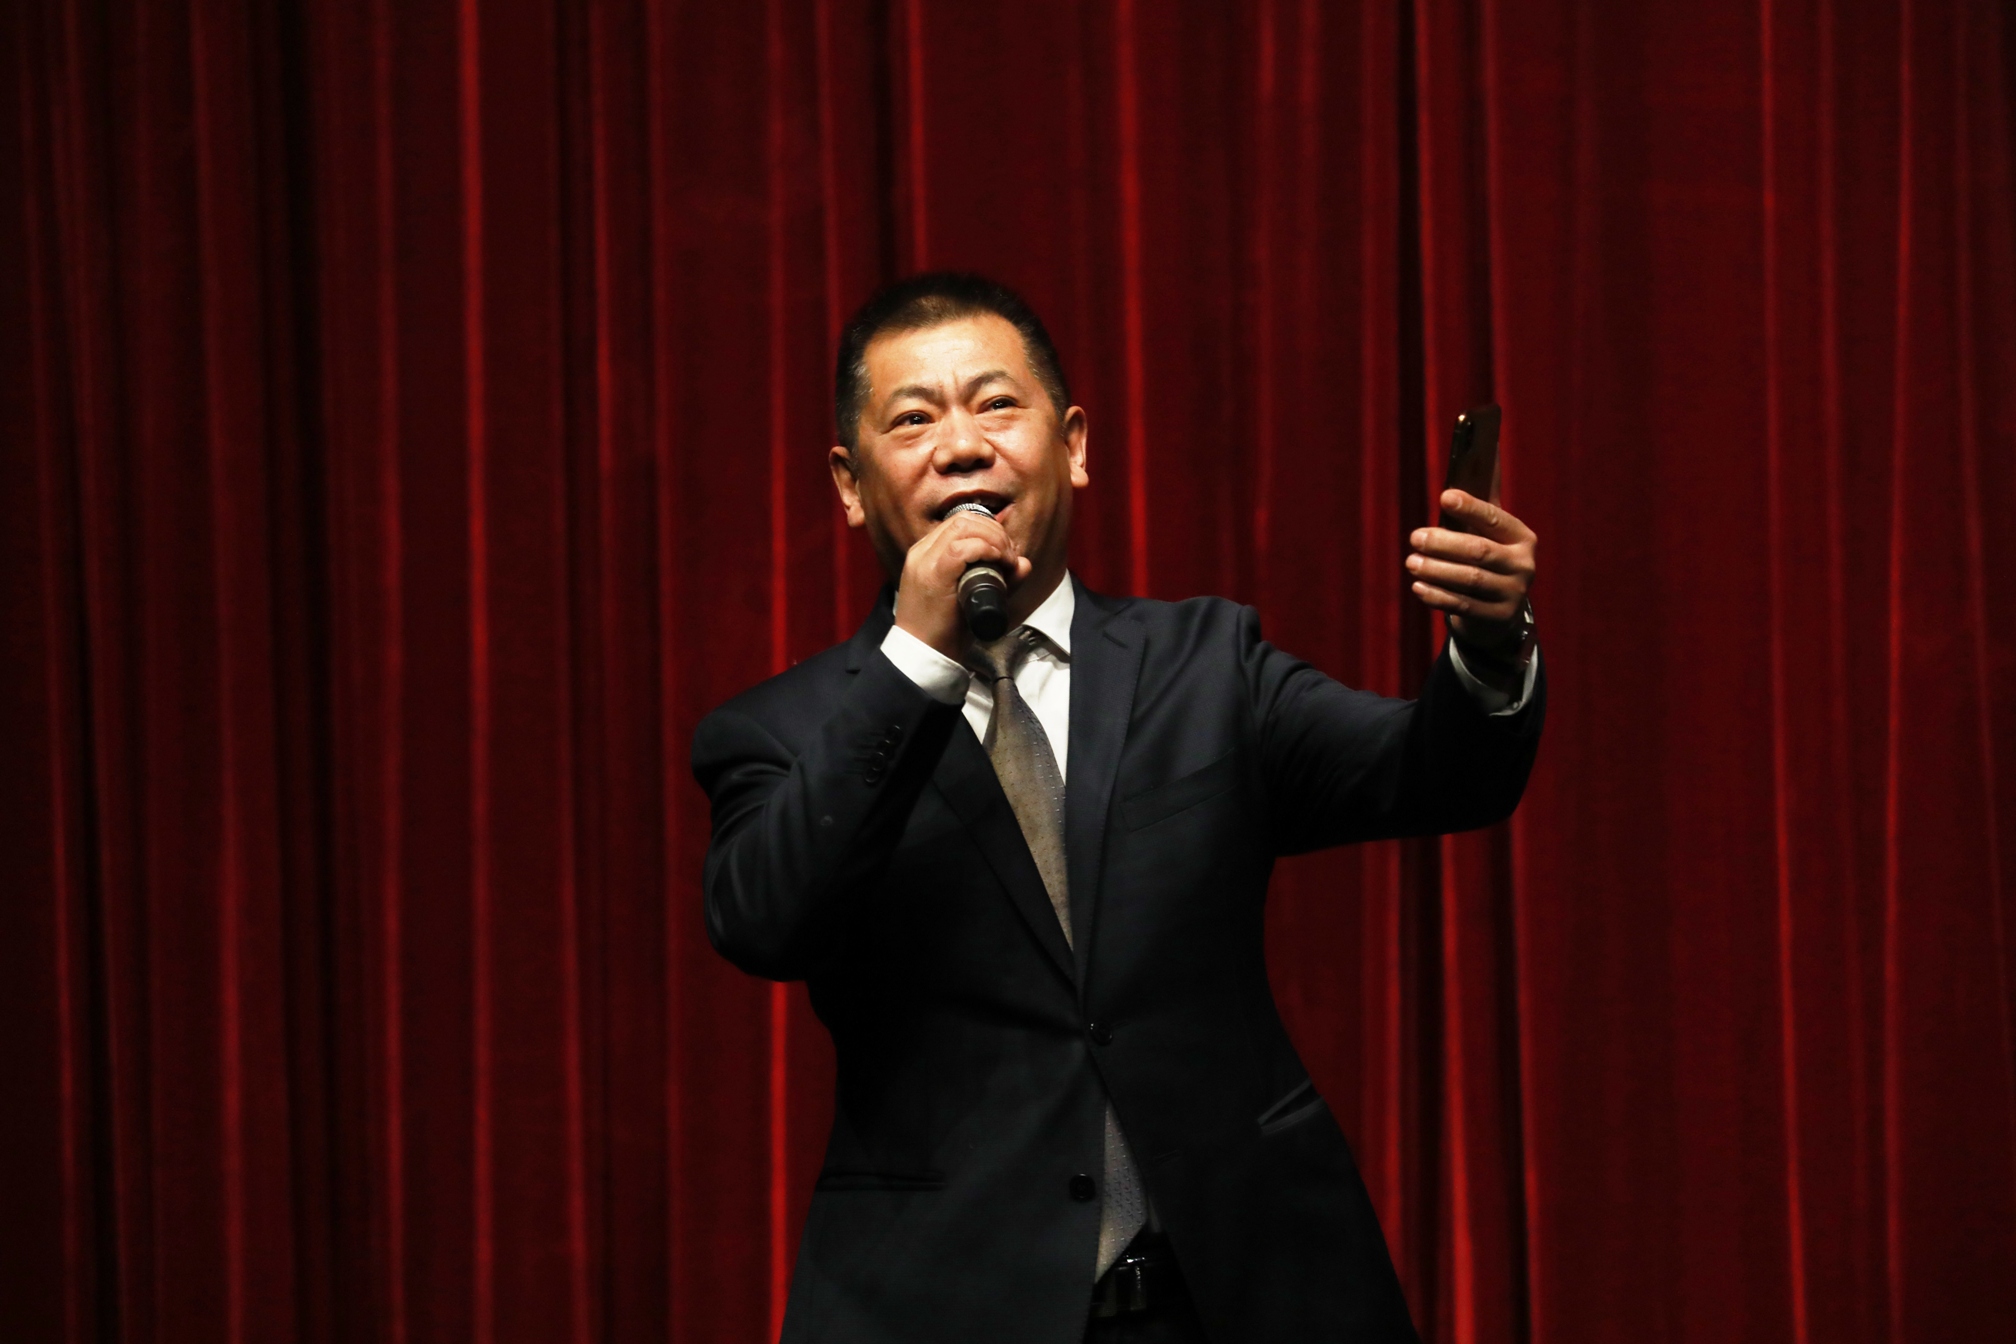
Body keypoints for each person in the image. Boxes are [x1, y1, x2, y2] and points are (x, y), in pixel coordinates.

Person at [692, 273, 1543, 1343]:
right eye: (913, 420)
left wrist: (1490, 646)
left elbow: (1437, 774)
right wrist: (914, 665)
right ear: (851, 485)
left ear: (1075, 445)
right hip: (951, 1308)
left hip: (1248, 1295)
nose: (961, 447)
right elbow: (765, 921)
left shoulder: (1206, 665)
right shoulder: (779, 732)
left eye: (997, 404)